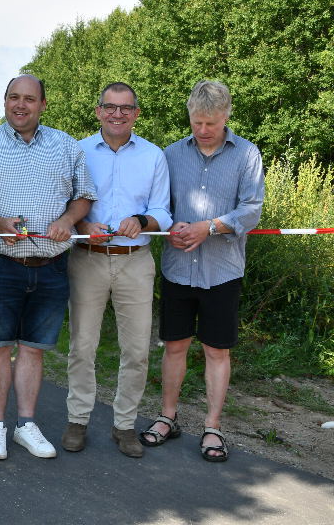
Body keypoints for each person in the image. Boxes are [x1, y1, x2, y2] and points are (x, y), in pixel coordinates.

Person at [0, 74, 96, 460]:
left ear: (42, 104)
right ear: (4, 101)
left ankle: (25, 424)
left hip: (51, 263)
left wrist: (69, 221)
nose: (19, 105)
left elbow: (83, 197)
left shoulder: (66, 145)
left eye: (28, 99)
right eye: (12, 98)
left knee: (33, 350)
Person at [139, 80, 263, 463]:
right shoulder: (171, 155)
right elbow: (158, 206)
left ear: (227, 115)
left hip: (222, 271)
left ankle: (212, 427)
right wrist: (170, 227)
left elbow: (252, 210)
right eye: (197, 122)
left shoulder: (247, 155)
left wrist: (207, 227)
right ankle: (167, 417)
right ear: (189, 116)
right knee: (174, 346)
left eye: (211, 123)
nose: (203, 130)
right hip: (177, 268)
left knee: (216, 350)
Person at [62, 82, 172, 458]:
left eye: (126, 108)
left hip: (135, 262)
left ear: (136, 114)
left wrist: (142, 220)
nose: (118, 114)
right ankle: (77, 419)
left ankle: (124, 425)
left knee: (138, 350)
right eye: (110, 107)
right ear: (98, 111)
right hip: (87, 259)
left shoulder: (154, 156)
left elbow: (163, 212)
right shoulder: (77, 151)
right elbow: (64, 205)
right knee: (82, 346)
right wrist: (80, 227)